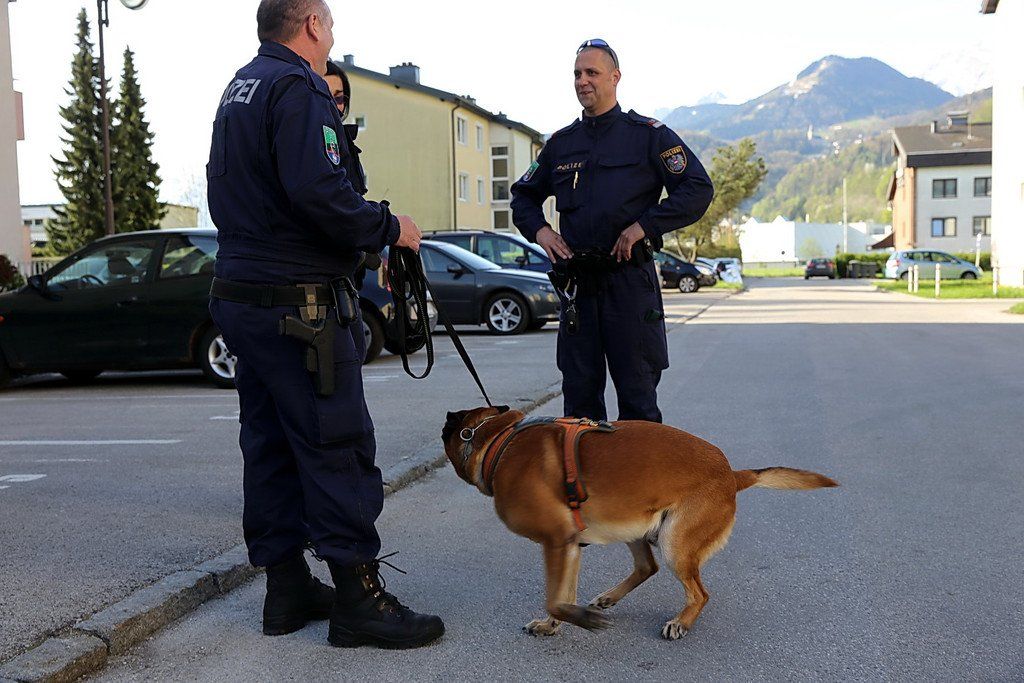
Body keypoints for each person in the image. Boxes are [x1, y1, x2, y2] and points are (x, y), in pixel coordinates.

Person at [206, 0, 443, 649]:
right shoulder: (300, 86)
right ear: (311, 23)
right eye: (330, 23)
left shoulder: (240, 87)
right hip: (299, 306)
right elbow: (318, 193)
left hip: (244, 296)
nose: (332, 34)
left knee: (270, 445)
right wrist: (390, 228)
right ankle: (358, 598)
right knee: (334, 442)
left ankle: (286, 588)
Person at [510, 39, 714, 424]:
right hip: (578, 289)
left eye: (592, 72)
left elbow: (697, 189)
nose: (582, 81)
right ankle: (583, 467)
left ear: (615, 77)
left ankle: (641, 467)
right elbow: (522, 195)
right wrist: (541, 232)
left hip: (629, 285)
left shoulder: (649, 136)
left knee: (638, 404)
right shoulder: (561, 144)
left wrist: (644, 226)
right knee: (579, 408)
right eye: (577, 74)